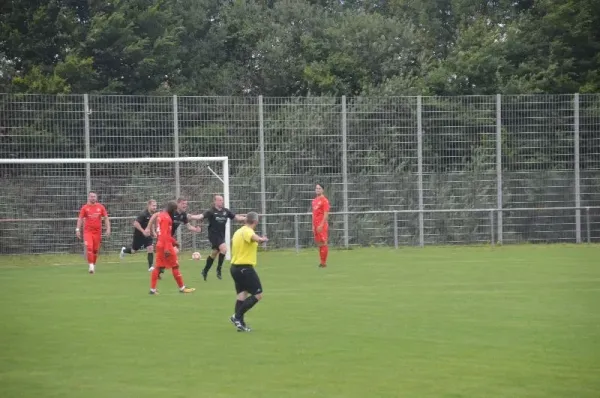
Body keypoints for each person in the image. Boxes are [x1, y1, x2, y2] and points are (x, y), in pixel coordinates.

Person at [229, 212, 268, 332]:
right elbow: (254, 238)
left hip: (235, 268)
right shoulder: (247, 231)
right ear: (255, 222)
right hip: (245, 268)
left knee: (242, 295)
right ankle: (237, 317)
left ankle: (240, 324)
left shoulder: (238, 231)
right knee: (258, 294)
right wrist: (262, 239)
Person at [192, 195, 246, 281]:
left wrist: (247, 218)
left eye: (222, 200)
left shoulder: (226, 211)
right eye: (220, 200)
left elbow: (237, 218)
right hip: (213, 235)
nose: (222, 202)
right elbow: (200, 216)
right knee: (224, 249)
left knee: (214, 253)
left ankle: (205, 271)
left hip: (221, 235)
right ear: (215, 201)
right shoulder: (211, 211)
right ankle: (219, 270)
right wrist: (190, 216)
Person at [146, 197, 201, 277]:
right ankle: (164, 271)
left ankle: (159, 270)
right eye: (183, 204)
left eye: (186, 204)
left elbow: (188, 226)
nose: (185, 205)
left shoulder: (183, 215)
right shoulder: (171, 211)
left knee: (170, 253)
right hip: (164, 236)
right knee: (173, 253)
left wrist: (196, 229)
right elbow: (155, 215)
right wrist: (148, 228)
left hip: (169, 237)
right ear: (178, 204)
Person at [150, 201, 195, 295]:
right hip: (166, 245)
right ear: (172, 209)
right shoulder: (167, 218)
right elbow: (166, 235)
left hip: (159, 244)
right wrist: (167, 247)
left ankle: (152, 290)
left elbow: (163, 233)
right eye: (174, 210)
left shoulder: (161, 215)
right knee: (175, 265)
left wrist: (174, 242)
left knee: (157, 267)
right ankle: (182, 288)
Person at [76, 191, 111, 274]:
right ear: (88, 197)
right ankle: (91, 265)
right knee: (89, 248)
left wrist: (108, 228)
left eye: (94, 196)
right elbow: (80, 219)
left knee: (95, 250)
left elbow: (106, 218)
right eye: (91, 196)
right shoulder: (85, 208)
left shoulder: (101, 207)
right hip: (88, 232)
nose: (93, 198)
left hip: (97, 232)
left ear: (96, 198)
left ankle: (93, 265)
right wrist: (77, 229)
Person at [119, 199, 157, 271]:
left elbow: (151, 224)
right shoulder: (143, 214)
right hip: (139, 235)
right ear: (148, 206)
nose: (155, 207)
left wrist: (154, 232)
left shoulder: (153, 214)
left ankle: (150, 267)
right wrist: (143, 231)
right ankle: (124, 250)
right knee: (133, 251)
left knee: (150, 248)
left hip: (147, 235)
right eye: (153, 206)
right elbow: (135, 223)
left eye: (155, 206)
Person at [312, 183, 330, 268]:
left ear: (322, 190)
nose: (317, 190)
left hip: (321, 225)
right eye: (316, 188)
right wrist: (313, 226)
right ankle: (321, 262)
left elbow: (326, 214)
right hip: (316, 225)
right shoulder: (314, 201)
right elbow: (314, 214)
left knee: (323, 242)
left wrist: (322, 225)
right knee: (319, 243)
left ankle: (323, 262)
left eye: (319, 188)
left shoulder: (324, 200)